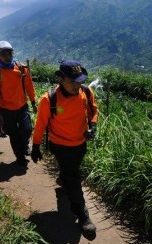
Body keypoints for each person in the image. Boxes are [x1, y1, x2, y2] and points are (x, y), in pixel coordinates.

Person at [31, 59, 98, 240]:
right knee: (74, 179)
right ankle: (82, 215)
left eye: (80, 80)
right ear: (60, 79)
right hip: (60, 145)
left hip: (80, 144)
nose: (77, 84)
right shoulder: (49, 99)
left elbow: (93, 110)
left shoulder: (86, 92)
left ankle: (64, 178)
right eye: (72, 81)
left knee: (71, 171)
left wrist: (93, 125)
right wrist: (35, 145)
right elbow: (40, 124)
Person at [0, 41, 37, 166]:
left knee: (27, 129)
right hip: (5, 109)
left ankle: (24, 145)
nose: (7, 56)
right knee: (13, 134)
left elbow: (29, 85)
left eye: (9, 53)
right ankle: (19, 156)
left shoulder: (21, 68)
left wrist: (33, 101)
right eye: (3, 54)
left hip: (22, 106)